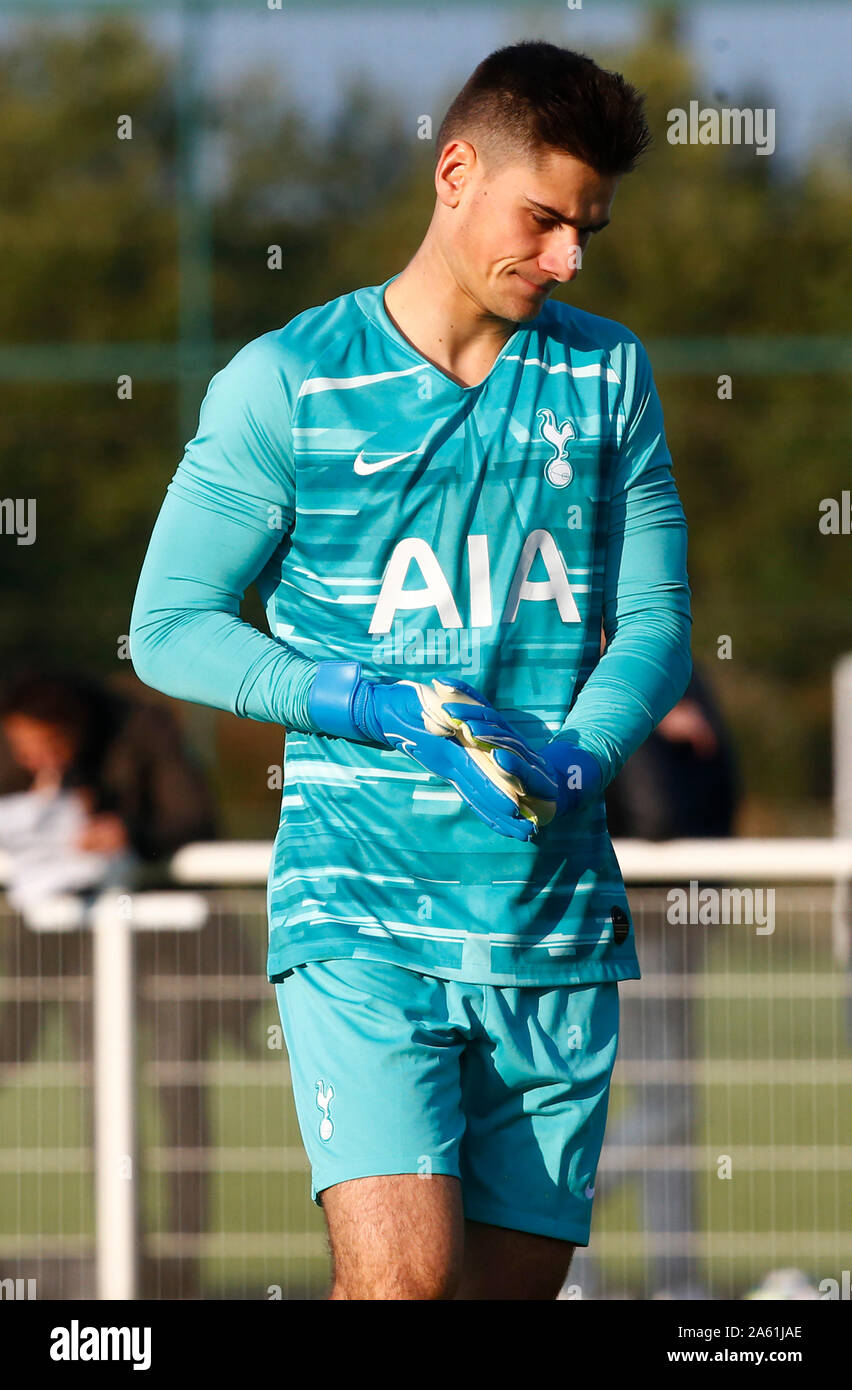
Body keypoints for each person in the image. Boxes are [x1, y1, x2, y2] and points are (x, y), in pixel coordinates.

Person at [130, 42, 692, 1301]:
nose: (569, 259)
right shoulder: (287, 381)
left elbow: (655, 622)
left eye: (587, 229)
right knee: (400, 1294)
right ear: (455, 171)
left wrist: (581, 751)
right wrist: (366, 702)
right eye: (544, 218)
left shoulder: (609, 376)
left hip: (550, 924)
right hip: (360, 907)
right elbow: (168, 623)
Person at [0, 670, 251, 1299]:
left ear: (73, 729)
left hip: (168, 952)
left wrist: (126, 834)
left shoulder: (142, 728)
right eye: (22, 750)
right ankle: (128, 1269)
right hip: (77, 954)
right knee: (103, 1109)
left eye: (43, 748)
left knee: (179, 1104)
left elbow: (194, 820)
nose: (33, 761)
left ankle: (180, 1275)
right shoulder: (18, 754)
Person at [574, 666, 739, 1299]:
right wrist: (651, 722)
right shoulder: (620, 666)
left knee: (670, 1104)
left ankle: (678, 1280)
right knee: (669, 1106)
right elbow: (656, 815)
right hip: (648, 914)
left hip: (670, 912)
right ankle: (558, 1220)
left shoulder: (662, 658)